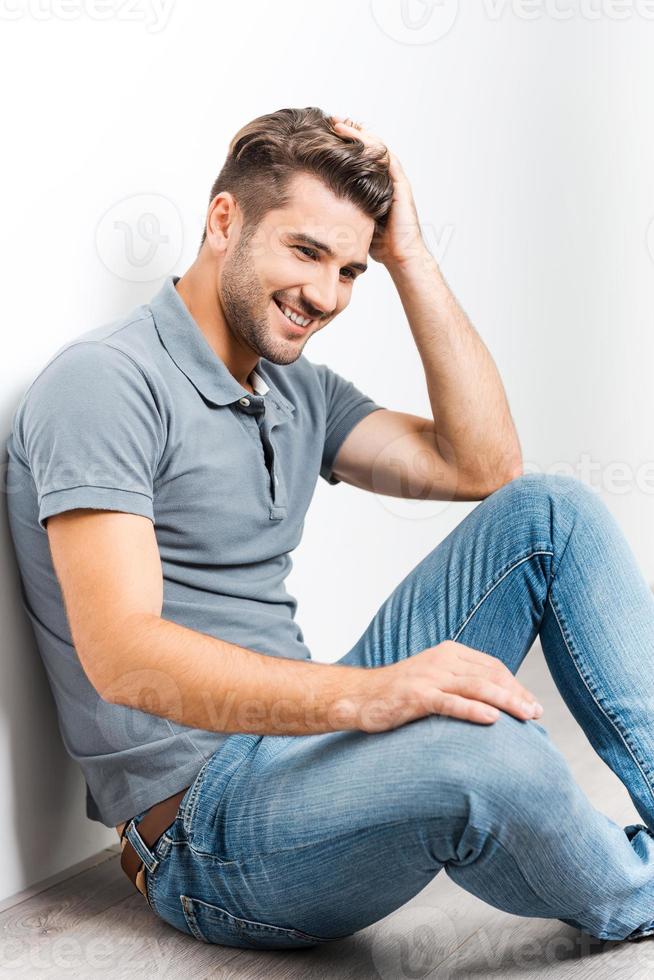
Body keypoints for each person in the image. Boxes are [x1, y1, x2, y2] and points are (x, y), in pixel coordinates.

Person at [5, 106, 654, 950]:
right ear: (224, 219)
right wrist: (375, 695)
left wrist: (409, 255)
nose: (325, 295)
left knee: (551, 512)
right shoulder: (106, 383)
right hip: (207, 824)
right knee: (497, 756)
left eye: (350, 270)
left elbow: (482, 466)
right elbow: (123, 657)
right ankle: (635, 890)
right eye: (307, 252)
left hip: (302, 749)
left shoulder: (294, 388)